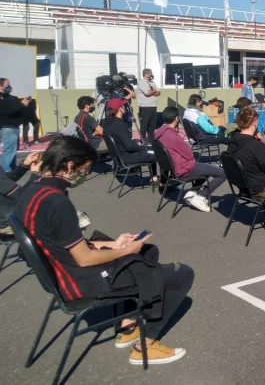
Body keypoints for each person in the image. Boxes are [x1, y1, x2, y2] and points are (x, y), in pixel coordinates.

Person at [14, 136, 193, 365]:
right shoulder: (57, 202)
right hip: (79, 282)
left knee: (148, 251)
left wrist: (115, 245)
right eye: (85, 169)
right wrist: (126, 251)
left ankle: (128, 325)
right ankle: (145, 346)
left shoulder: (32, 190)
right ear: (70, 166)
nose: (85, 175)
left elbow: (63, 242)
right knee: (182, 274)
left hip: (59, 272)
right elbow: (85, 258)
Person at [155, 107, 227, 213]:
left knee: (205, 169)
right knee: (223, 173)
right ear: (176, 118)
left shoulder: (158, 134)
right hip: (184, 168)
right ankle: (202, 196)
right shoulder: (173, 136)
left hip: (173, 169)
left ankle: (193, 192)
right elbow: (189, 155)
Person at [103, 98, 160, 191]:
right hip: (127, 157)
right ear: (120, 108)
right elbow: (130, 146)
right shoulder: (119, 125)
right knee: (158, 153)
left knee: (151, 149)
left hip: (119, 157)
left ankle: (154, 178)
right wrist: (143, 147)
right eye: (123, 105)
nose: (125, 107)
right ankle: (161, 181)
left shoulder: (107, 123)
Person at [231, 97, 265, 161]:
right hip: (253, 145)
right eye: (249, 105)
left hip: (246, 146)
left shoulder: (237, 119)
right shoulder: (248, 118)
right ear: (246, 106)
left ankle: (264, 163)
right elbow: (258, 136)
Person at [0, 151, 41, 236]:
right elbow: (23, 196)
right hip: (11, 221)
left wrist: (25, 165)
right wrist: (36, 174)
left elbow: (7, 178)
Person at [0, 78, 30, 172]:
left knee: (13, 151)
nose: (9, 87)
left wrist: (25, 104)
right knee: (9, 150)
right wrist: (21, 104)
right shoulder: (1, 98)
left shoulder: (12, 97)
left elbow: (18, 109)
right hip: (7, 127)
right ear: (1, 86)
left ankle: (12, 169)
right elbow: (8, 110)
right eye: (7, 85)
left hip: (15, 127)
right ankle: (5, 171)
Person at [136, 68, 160, 145]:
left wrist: (154, 91)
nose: (152, 75)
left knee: (152, 125)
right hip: (145, 107)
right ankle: (142, 141)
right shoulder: (142, 83)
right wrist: (154, 91)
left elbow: (158, 93)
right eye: (150, 73)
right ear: (146, 74)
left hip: (153, 106)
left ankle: (151, 140)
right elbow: (147, 93)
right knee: (144, 125)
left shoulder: (152, 83)